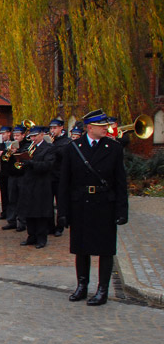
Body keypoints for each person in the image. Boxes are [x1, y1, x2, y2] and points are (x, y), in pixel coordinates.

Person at [58, 109, 128, 306]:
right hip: (81, 205)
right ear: (90, 128)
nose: (106, 128)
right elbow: (64, 183)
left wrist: (122, 211)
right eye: (102, 126)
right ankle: (82, 286)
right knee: (81, 248)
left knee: (105, 249)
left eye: (106, 125)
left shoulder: (113, 148)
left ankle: (102, 289)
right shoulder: (73, 148)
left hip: (105, 205)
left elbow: (120, 183)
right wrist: (63, 211)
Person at [16, 124, 56, 248]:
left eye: (35, 136)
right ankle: (31, 236)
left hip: (41, 185)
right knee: (29, 211)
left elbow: (48, 165)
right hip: (28, 184)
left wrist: (31, 163)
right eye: (31, 137)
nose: (33, 139)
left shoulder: (48, 148)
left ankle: (41, 238)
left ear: (42, 135)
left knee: (40, 213)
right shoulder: (29, 147)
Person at [2, 124, 31, 232]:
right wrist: (7, 153)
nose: (15, 137)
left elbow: (26, 157)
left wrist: (17, 152)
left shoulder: (27, 145)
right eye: (14, 135)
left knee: (22, 199)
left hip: (22, 175)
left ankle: (22, 222)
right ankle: (11, 221)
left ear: (23, 135)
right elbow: (4, 160)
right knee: (12, 199)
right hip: (12, 175)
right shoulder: (10, 145)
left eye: (18, 135)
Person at [48, 118, 71, 237]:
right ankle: (50, 226)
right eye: (51, 128)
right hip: (49, 175)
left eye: (55, 128)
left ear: (61, 128)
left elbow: (64, 155)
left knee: (60, 202)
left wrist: (52, 147)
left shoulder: (66, 141)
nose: (52, 130)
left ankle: (60, 226)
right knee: (48, 203)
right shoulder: (50, 140)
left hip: (60, 176)